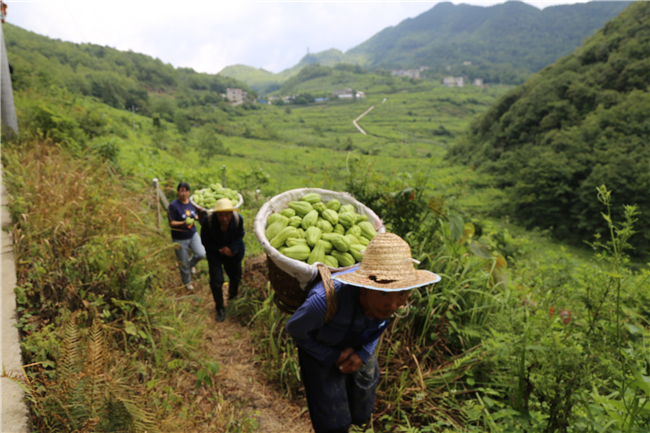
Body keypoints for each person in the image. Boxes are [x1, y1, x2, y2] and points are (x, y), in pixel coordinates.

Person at [286, 233, 440, 433]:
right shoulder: (325, 300)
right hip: (320, 352)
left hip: (358, 350)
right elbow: (296, 330)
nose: (393, 305)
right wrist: (331, 355)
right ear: (364, 287)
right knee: (333, 420)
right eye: (384, 293)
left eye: (401, 293)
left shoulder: (393, 303)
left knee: (362, 410)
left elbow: (379, 326)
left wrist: (363, 353)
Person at [201, 198, 245, 322]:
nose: (224, 219)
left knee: (235, 277)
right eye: (221, 215)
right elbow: (205, 240)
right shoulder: (208, 221)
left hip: (233, 253)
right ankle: (220, 308)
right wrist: (220, 249)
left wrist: (232, 250)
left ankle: (232, 299)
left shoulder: (237, 219)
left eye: (227, 215)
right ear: (216, 214)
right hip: (215, 253)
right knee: (216, 281)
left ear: (231, 213)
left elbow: (240, 235)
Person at [168, 182, 205, 291]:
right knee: (183, 263)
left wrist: (202, 213)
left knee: (201, 253)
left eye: (186, 191)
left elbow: (196, 217)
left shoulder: (192, 203)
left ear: (189, 192)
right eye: (181, 191)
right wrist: (183, 223)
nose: (184, 193)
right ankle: (187, 284)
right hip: (179, 237)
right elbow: (171, 223)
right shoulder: (173, 205)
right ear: (178, 192)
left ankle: (190, 264)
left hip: (192, 234)